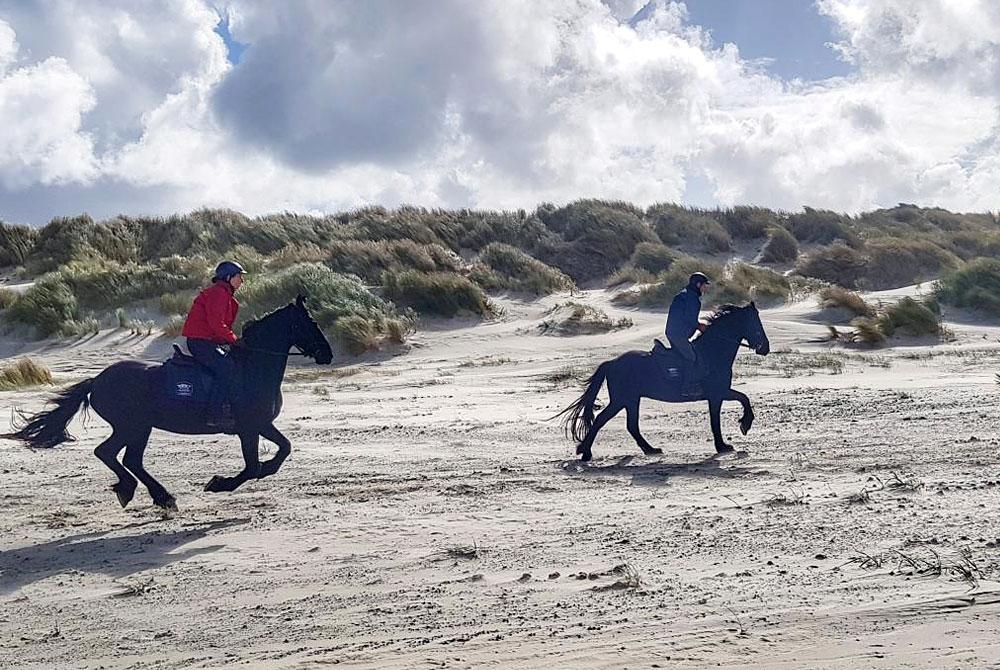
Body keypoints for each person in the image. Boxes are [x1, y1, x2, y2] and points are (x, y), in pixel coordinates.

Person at [182, 261, 246, 426]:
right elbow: (216, 324)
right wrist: (234, 340)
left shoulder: (225, 295)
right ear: (228, 277)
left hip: (208, 341)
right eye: (239, 276)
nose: (241, 280)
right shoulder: (219, 294)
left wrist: (230, 340)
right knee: (226, 367)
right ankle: (214, 413)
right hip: (200, 342)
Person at [665, 272, 711, 388]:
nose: (706, 288)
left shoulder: (686, 295)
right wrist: (700, 326)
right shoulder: (692, 298)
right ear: (698, 284)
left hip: (674, 332)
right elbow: (689, 318)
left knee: (682, 355)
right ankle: (686, 386)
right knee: (691, 357)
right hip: (678, 334)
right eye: (704, 285)